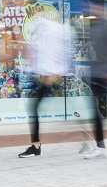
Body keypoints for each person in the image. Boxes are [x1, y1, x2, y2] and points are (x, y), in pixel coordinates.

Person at [18, 17, 72, 158]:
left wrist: (52, 73)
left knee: (34, 108)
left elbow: (54, 54)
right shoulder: (52, 34)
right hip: (49, 76)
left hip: (50, 77)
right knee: (34, 108)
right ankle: (36, 145)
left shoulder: (52, 34)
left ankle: (36, 146)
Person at [83, 0, 107, 159]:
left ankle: (100, 144)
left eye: (93, 7)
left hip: (103, 72)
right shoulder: (96, 25)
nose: (91, 10)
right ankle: (98, 143)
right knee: (94, 109)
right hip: (96, 71)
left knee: (95, 109)